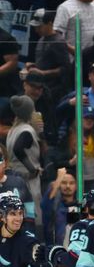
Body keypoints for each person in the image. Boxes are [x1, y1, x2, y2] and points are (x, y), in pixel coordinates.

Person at [7, 95, 43, 226]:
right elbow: (18, 149)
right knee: (32, 211)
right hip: (28, 180)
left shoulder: (13, 130)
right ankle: (35, 239)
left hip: (14, 177)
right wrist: (32, 169)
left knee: (17, 211)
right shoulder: (26, 130)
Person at [28, 8, 71, 103]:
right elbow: (45, 62)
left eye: (40, 26)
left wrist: (43, 73)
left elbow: (66, 68)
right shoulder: (41, 39)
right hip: (41, 88)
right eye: (35, 27)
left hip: (54, 91)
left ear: (50, 24)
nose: (36, 30)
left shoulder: (58, 42)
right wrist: (33, 66)